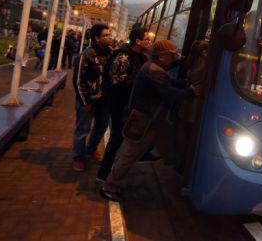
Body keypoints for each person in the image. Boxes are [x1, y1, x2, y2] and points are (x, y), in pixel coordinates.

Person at [100, 40, 200, 201]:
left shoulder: (152, 67)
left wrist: (184, 84)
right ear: (162, 57)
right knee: (129, 155)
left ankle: (112, 182)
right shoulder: (155, 71)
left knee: (129, 153)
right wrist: (190, 91)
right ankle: (109, 186)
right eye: (171, 56)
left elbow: (168, 83)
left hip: (146, 119)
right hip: (143, 121)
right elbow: (169, 94)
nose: (173, 59)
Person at [96, 27, 150, 181]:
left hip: (129, 103)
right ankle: (103, 173)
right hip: (119, 104)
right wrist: (139, 83)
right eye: (146, 39)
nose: (149, 41)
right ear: (137, 41)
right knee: (116, 138)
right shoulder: (124, 56)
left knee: (123, 137)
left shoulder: (142, 56)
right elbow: (117, 80)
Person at [72, 24, 113, 172]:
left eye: (109, 34)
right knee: (83, 129)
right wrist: (85, 102)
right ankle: (78, 157)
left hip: (104, 100)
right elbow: (78, 80)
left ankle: (90, 150)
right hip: (88, 100)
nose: (110, 37)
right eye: (106, 35)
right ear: (97, 38)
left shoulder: (111, 53)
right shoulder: (87, 54)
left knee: (101, 127)